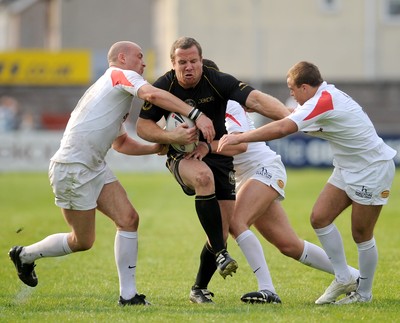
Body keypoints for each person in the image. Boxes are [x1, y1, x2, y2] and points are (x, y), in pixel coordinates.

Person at [8, 40, 216, 307]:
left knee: (129, 219)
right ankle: (25, 255)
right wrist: (194, 113)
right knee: (82, 241)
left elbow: (121, 143)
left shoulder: (115, 92)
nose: (143, 63)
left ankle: (128, 297)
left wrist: (156, 146)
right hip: (72, 167)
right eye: (139, 57)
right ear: (122, 57)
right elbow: (152, 95)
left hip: (93, 166)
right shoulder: (119, 75)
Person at [218, 61, 397, 305]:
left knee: (361, 234)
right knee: (319, 218)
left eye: (292, 89)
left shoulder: (323, 100)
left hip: (372, 167)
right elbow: (291, 118)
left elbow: (283, 127)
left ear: (304, 87)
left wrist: (240, 137)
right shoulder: (319, 100)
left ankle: (363, 293)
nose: (291, 95)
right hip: (347, 167)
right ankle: (344, 277)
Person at [136, 36, 290, 304]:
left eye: (193, 61)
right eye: (182, 62)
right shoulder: (163, 86)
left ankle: (199, 288)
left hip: (219, 158)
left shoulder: (218, 80)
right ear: (173, 64)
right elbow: (142, 127)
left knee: (222, 230)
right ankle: (222, 255)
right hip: (182, 155)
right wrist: (172, 138)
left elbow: (256, 100)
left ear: (200, 61)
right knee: (202, 178)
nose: (188, 67)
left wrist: (293, 118)